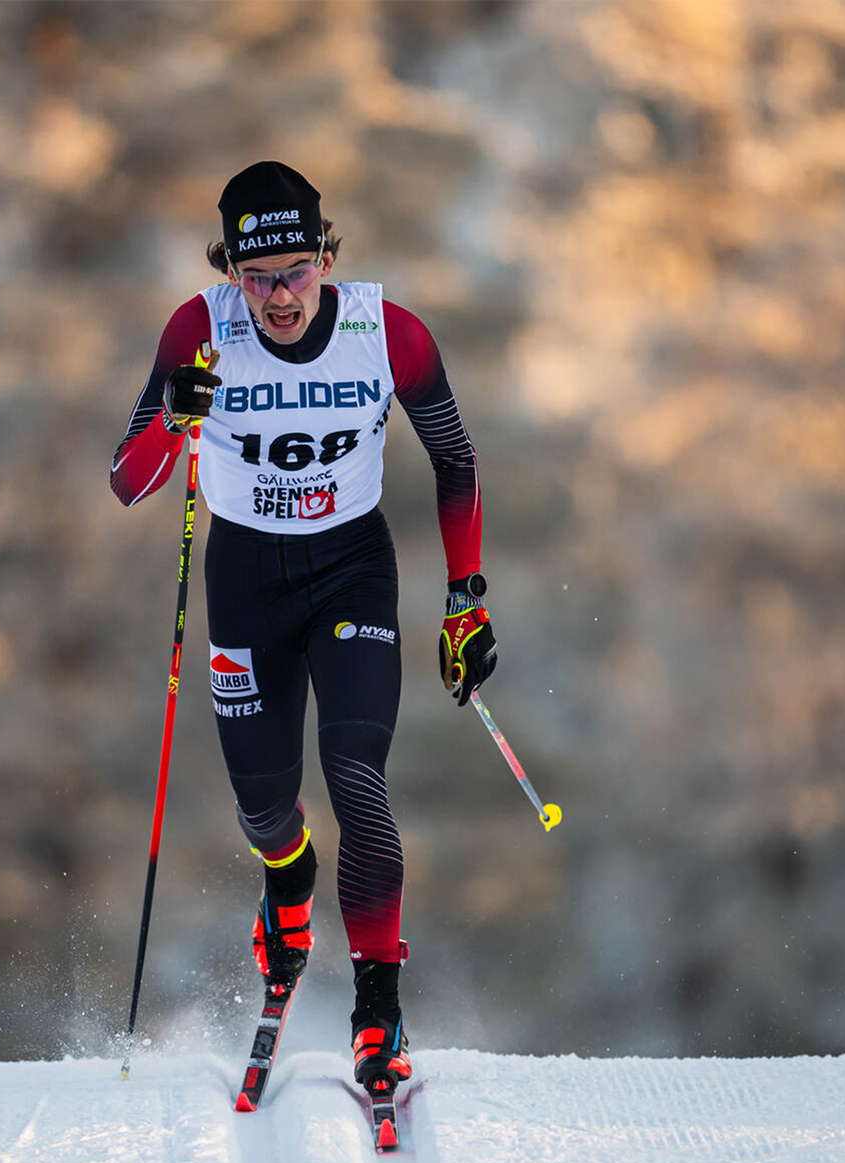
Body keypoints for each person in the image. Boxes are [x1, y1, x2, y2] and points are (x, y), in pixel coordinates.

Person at [110, 160, 495, 1094]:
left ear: (326, 256)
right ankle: (285, 893)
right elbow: (128, 478)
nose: (279, 298)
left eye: (295, 270)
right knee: (267, 812)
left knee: (357, 776)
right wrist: (171, 416)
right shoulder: (198, 331)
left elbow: (455, 459)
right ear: (230, 271)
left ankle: (378, 1014)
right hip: (246, 580)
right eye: (258, 276)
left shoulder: (387, 332)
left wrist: (465, 598)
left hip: (351, 571)